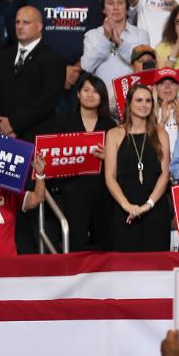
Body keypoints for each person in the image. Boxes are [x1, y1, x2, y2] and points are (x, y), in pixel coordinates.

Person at [50, 74, 115, 252]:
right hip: (73, 191)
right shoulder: (63, 122)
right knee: (75, 243)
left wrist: (107, 157)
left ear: (102, 97)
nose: (90, 94)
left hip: (103, 191)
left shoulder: (110, 125)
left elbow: (120, 161)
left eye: (95, 91)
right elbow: (53, 156)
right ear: (78, 94)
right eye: (86, 90)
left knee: (105, 242)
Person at [0, 6, 67, 141]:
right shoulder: (1, 57)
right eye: (17, 22)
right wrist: (0, 124)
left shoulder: (53, 59)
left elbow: (47, 102)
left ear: (39, 26)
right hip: (0, 135)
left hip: (34, 137)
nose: (20, 26)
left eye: (26, 22)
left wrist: (14, 125)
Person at [104, 84, 171, 252]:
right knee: (125, 268)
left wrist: (148, 205)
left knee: (157, 268)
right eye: (139, 100)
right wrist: (127, 206)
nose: (144, 105)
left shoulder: (161, 133)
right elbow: (110, 176)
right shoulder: (114, 134)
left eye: (148, 101)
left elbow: (164, 175)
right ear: (129, 104)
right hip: (124, 211)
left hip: (155, 209)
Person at [28, 0, 103, 94]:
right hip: (45, 72)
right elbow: (31, 39)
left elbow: (98, 40)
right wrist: (60, 71)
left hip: (81, 74)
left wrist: (75, 69)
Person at [81, 0, 150, 95]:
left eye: (120, 3)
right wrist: (106, 38)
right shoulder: (92, 35)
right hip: (102, 100)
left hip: (132, 101)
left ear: (127, 8)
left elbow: (145, 67)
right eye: (110, 3)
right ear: (103, 9)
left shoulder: (141, 35)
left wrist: (120, 43)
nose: (116, 7)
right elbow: (87, 66)